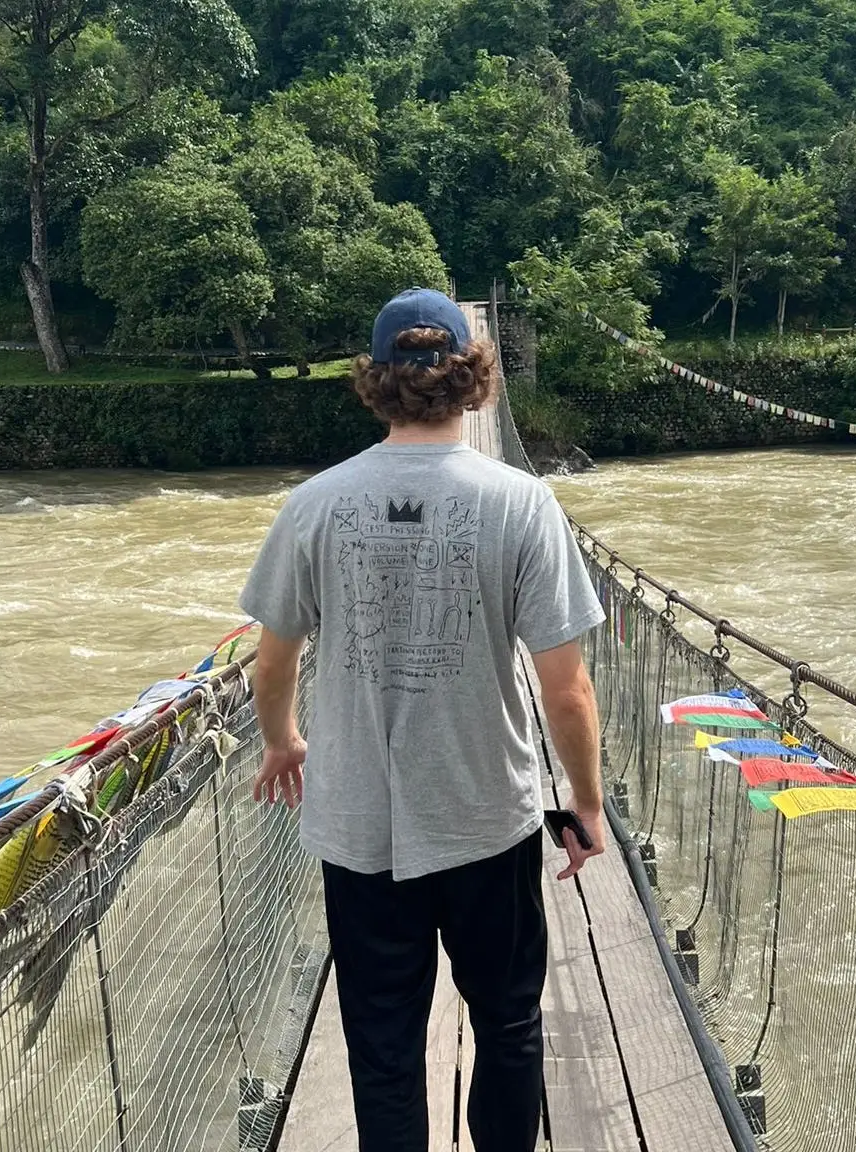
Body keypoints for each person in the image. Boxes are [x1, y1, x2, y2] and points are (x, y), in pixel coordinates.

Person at [240, 287, 609, 1152]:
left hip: (360, 828)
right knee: (510, 1025)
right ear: (475, 379)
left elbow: (273, 659)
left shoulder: (314, 504)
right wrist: (585, 805)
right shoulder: (522, 503)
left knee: (382, 1046)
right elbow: (567, 690)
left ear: (374, 380)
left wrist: (282, 742)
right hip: (488, 818)